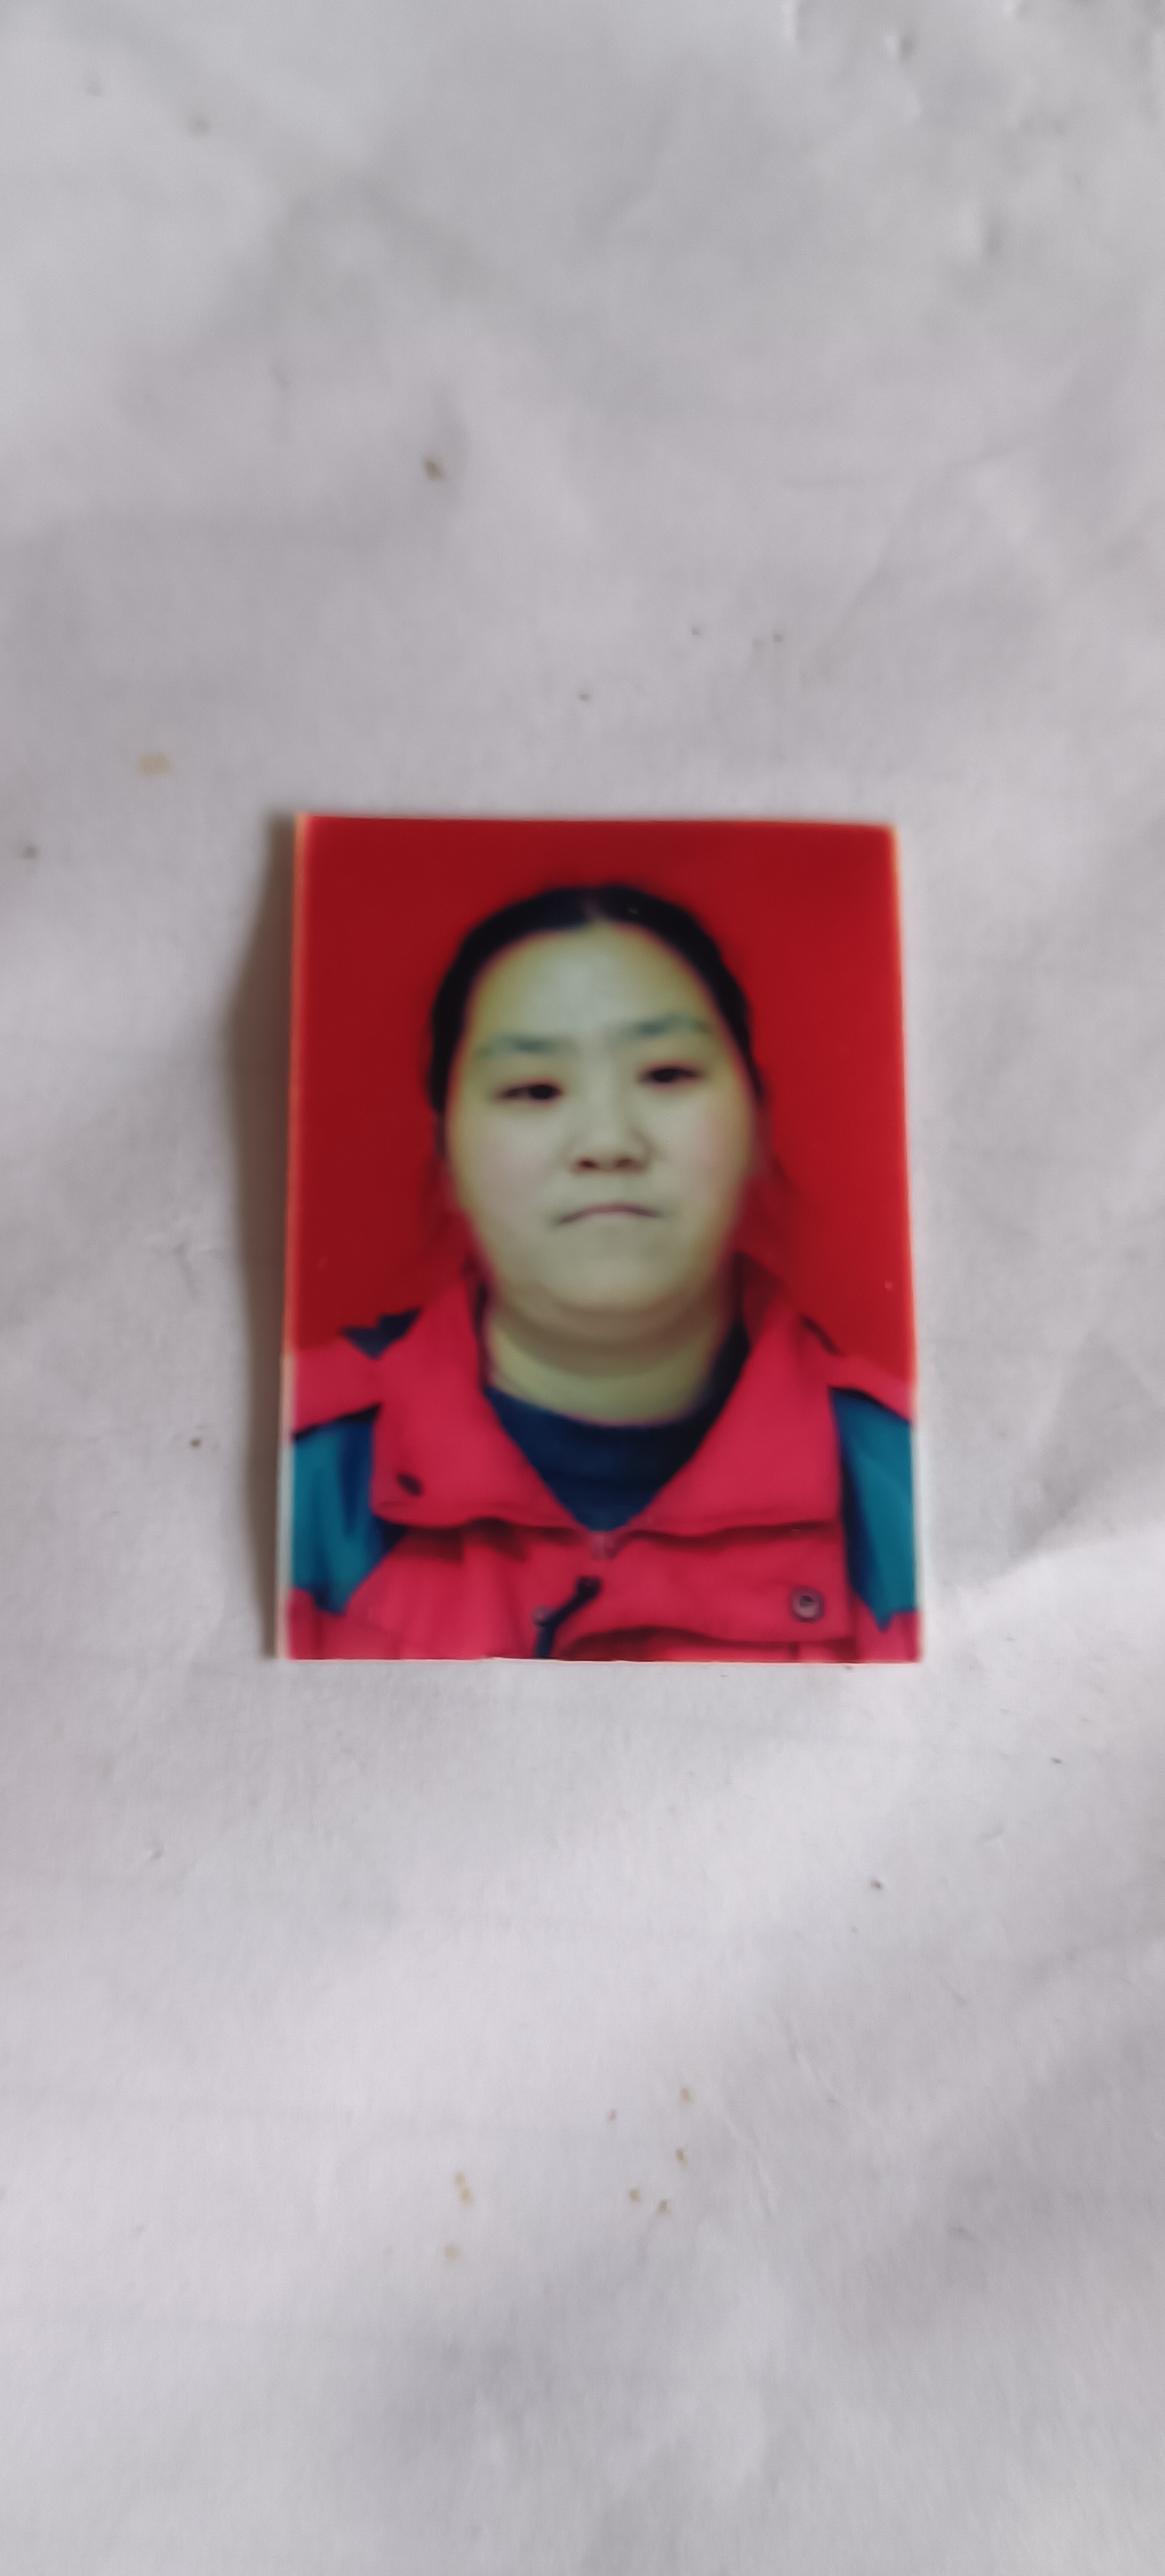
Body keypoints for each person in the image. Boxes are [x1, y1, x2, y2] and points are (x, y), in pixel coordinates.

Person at [284, 882, 918, 1660]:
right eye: (534, 1089)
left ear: (759, 1125)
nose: (609, 1143)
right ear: (446, 1157)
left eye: (667, 1075)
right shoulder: (296, 1473)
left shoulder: (911, 1484)